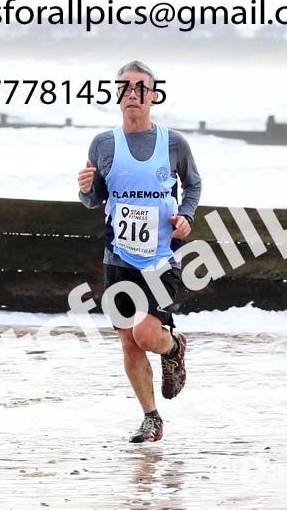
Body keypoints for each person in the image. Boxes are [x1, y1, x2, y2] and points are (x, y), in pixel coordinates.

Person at [78, 61, 202, 442]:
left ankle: (173, 346)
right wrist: (85, 188)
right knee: (128, 342)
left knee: (147, 335)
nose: (133, 93)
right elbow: (94, 199)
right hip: (117, 259)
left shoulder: (173, 142)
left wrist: (185, 217)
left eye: (140, 88)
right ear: (117, 95)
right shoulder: (103, 143)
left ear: (153, 95)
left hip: (161, 258)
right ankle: (151, 418)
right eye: (125, 87)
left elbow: (193, 186)